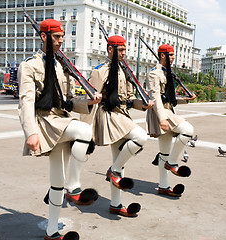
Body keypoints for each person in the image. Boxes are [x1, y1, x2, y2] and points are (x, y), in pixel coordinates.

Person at [18, 19, 102, 240]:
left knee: (57, 182)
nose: (61, 41)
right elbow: (26, 102)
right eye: (56, 37)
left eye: (62, 37)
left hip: (61, 121)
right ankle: (73, 189)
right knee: (83, 132)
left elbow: (70, 101)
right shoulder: (29, 66)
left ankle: (51, 232)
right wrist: (31, 132)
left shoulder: (61, 65)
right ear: (44, 36)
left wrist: (89, 102)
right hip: (46, 124)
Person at [82, 35, 154, 217]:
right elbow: (90, 101)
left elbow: (129, 100)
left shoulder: (124, 70)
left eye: (124, 50)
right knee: (140, 136)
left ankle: (116, 204)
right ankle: (113, 171)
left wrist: (142, 105)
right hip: (108, 115)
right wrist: (84, 132)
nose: (124, 53)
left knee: (119, 162)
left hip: (122, 115)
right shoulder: (100, 71)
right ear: (110, 50)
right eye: (120, 50)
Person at [146, 44, 196, 198]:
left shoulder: (168, 73)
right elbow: (156, 98)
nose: (174, 58)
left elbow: (169, 98)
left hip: (168, 110)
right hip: (160, 113)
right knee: (187, 129)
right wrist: (162, 118)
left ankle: (163, 186)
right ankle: (172, 163)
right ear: (162, 55)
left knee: (164, 152)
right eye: (171, 55)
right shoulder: (154, 74)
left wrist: (185, 100)